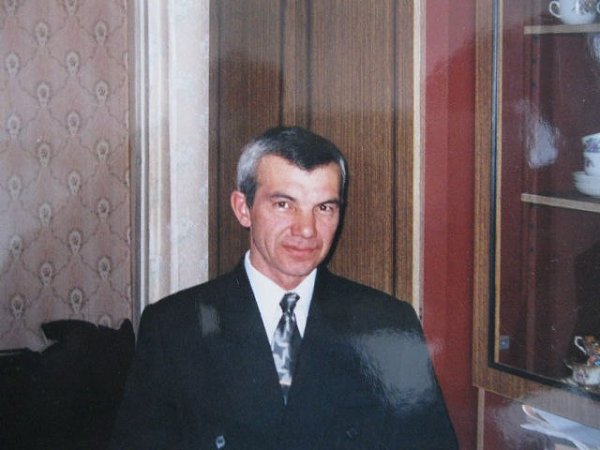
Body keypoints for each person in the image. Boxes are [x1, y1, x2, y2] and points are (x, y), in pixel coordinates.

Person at [110, 126, 458, 449]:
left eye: (324, 208)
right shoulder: (174, 326)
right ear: (243, 208)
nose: (306, 229)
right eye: (284, 204)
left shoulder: (388, 323)